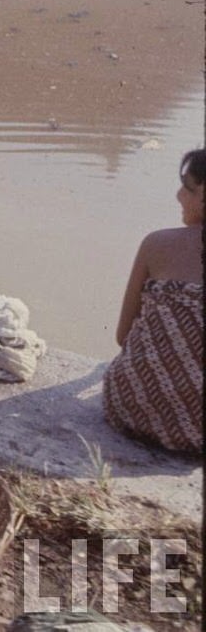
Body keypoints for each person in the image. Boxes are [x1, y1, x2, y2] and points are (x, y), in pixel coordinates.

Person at [102, 148, 204, 453]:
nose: (178, 196)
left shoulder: (157, 243)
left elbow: (123, 337)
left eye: (187, 188)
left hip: (134, 408)